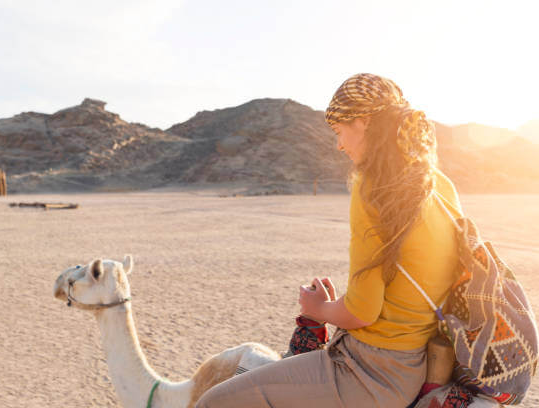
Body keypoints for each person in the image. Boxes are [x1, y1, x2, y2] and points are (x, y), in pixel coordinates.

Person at [196, 73, 464, 408]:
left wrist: (318, 309)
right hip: (415, 364)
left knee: (213, 401)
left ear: (363, 123)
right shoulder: (440, 185)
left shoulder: (373, 186)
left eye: (339, 131)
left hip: (368, 372)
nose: (338, 145)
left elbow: (363, 311)